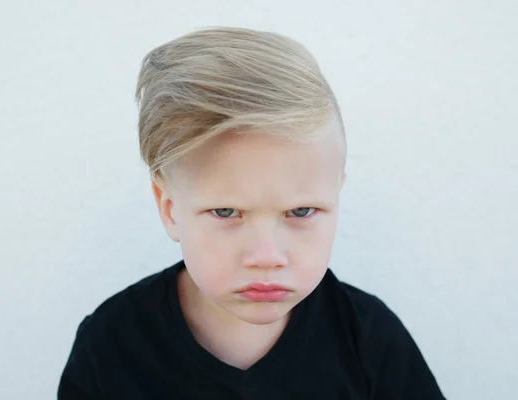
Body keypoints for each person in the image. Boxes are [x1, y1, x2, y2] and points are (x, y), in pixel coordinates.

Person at [57, 26, 445, 399]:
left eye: (301, 210)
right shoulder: (110, 344)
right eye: (226, 212)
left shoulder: (368, 338)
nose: (266, 257)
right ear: (170, 209)